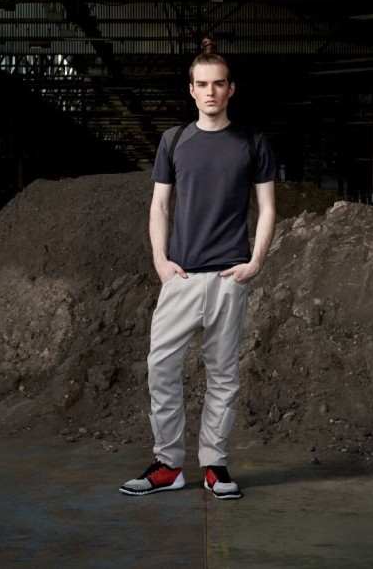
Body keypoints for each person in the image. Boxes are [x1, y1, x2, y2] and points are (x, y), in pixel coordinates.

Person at [119, 43, 277, 500]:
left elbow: (267, 209)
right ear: (191, 90)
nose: (211, 92)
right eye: (202, 84)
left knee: (222, 373)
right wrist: (160, 263)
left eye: (218, 84)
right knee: (161, 368)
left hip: (230, 278)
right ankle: (169, 465)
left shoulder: (252, 142)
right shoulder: (173, 141)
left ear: (231, 89)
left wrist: (256, 261)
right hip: (181, 277)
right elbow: (159, 206)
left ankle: (215, 466)